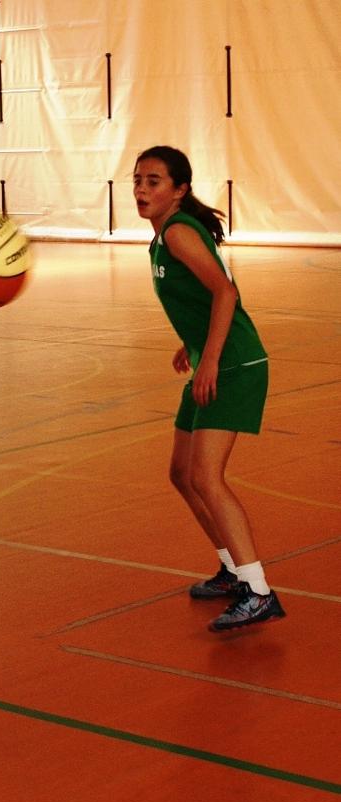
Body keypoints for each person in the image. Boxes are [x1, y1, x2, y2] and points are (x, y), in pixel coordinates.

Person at [133, 145, 285, 633]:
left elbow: (225, 292)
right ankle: (232, 570)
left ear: (179, 189)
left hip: (234, 364)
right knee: (182, 473)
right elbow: (204, 295)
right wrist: (191, 343)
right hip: (210, 357)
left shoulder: (177, 233)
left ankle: (259, 590)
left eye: (153, 181)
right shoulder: (163, 237)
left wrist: (212, 358)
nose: (141, 189)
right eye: (138, 179)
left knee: (206, 477)